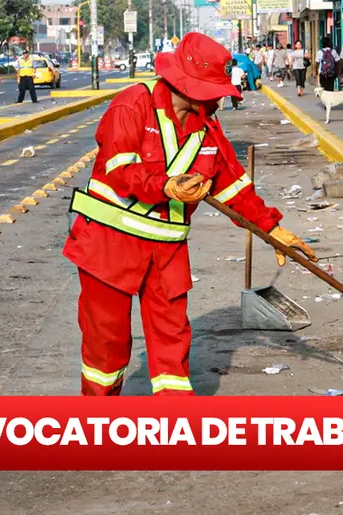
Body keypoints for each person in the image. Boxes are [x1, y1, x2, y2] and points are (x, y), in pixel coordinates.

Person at [63, 32, 317, 396]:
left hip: (165, 253)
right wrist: (165, 186)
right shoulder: (132, 104)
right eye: (212, 89)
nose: (218, 98)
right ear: (188, 84)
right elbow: (118, 169)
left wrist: (272, 229)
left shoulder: (208, 129)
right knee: (107, 346)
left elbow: (234, 188)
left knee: (173, 347)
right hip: (108, 247)